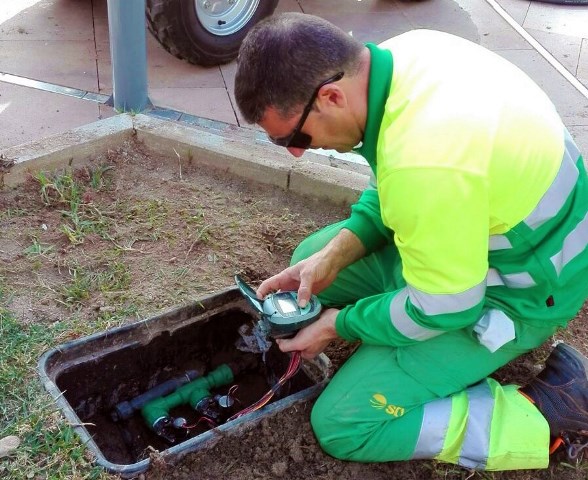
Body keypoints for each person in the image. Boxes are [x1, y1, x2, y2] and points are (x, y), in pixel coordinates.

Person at [234, 12, 588, 471]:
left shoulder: (426, 162)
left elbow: (449, 304)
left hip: (520, 291)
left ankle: (548, 413)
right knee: (309, 264)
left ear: (332, 96)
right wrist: (333, 256)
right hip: (475, 238)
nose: (297, 152)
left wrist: (339, 325)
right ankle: (386, 317)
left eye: (293, 137)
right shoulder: (404, 55)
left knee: (344, 423)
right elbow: (394, 186)